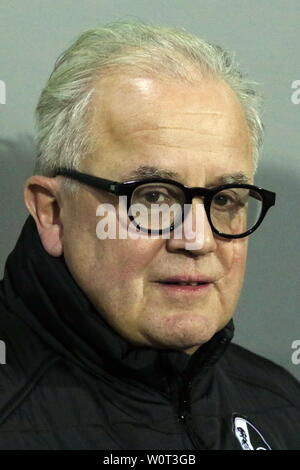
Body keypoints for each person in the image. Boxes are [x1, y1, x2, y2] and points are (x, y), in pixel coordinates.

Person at [0, 21, 299, 451]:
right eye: (154, 196)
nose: (197, 240)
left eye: (224, 199)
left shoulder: (280, 404)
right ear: (53, 213)